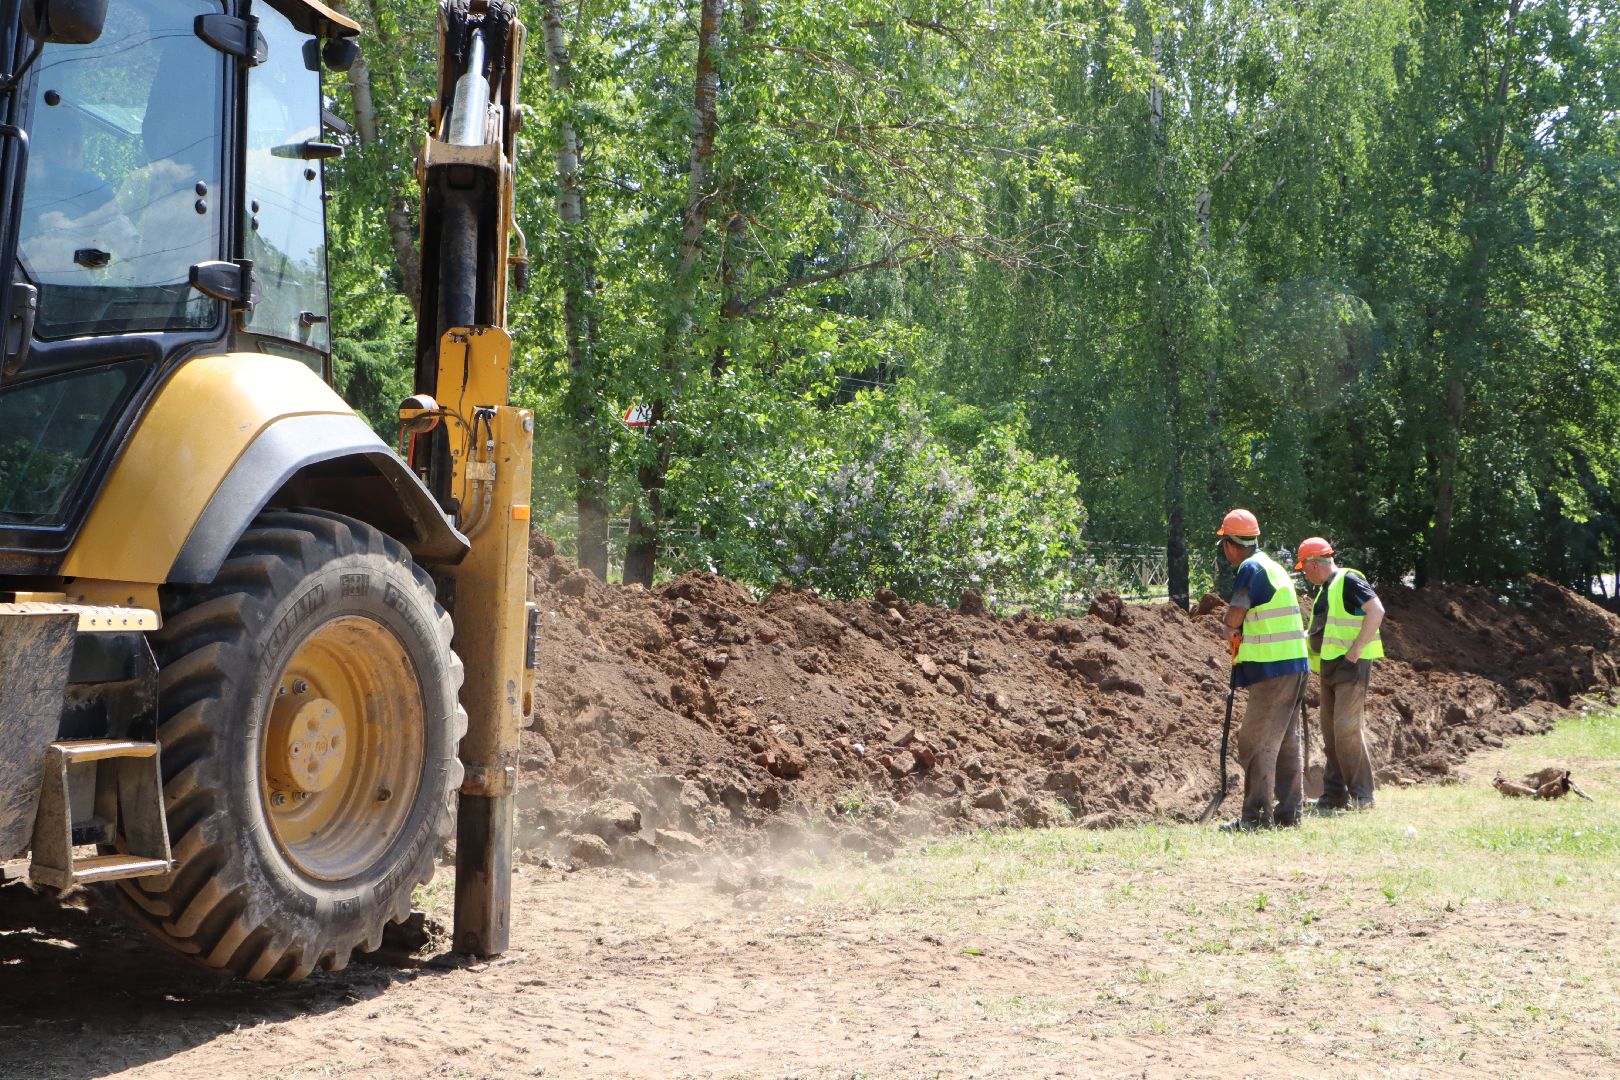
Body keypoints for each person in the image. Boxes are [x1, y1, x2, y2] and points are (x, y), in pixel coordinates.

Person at [1217, 508, 1310, 829]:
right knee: (1285, 741)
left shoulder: (1250, 568)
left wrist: (1229, 627)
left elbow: (1237, 613)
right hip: (1294, 664)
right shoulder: (1273, 567)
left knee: (1254, 742)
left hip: (1273, 668)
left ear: (1230, 543)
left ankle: (1255, 818)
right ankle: (1289, 814)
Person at [1296, 537, 1385, 811]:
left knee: (1346, 729)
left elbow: (1376, 610)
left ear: (1313, 563)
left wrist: (1356, 649)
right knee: (1331, 732)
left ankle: (1363, 796)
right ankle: (1334, 795)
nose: (1304, 573)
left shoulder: (1348, 580)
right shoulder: (1326, 589)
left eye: (1304, 568)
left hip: (1350, 665)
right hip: (1331, 667)